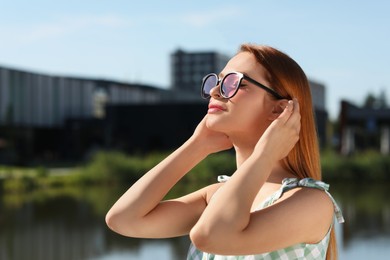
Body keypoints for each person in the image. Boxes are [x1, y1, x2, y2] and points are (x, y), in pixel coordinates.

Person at [105, 44, 344, 260]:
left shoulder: (311, 202)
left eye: (234, 82)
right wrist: (196, 146)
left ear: (279, 109)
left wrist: (265, 154)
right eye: (217, 82)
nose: (215, 92)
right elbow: (124, 219)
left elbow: (210, 236)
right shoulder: (217, 195)